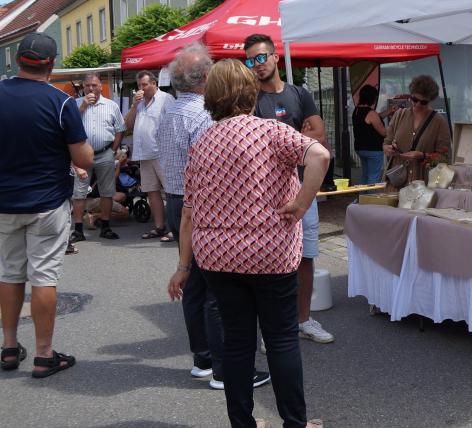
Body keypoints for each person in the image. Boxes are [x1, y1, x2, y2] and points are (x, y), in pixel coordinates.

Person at [167, 59, 328, 428]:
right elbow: (319, 155)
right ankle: (295, 423)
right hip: (272, 254)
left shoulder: (203, 141)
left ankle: (243, 423)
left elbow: (189, 213)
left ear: (211, 96)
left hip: (218, 258)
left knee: (238, 344)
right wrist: (302, 203)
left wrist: (182, 267)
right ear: (249, 92)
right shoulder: (271, 131)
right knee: (282, 339)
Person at [0, 33, 92, 377]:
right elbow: (82, 155)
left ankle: (9, 347)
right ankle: (43, 354)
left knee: (9, 274)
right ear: (51, 65)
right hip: (46, 203)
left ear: (17, 60)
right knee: (43, 277)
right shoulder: (62, 102)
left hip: (4, 203)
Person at [244, 34, 334, 346]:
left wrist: (286, 144)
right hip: (269, 193)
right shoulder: (250, 100)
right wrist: (297, 139)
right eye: (250, 60)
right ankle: (274, 329)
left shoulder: (299, 93)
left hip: (304, 187)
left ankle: (303, 319)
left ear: (275, 57)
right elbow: (257, 147)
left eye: (260, 57)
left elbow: (319, 133)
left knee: (306, 257)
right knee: (269, 261)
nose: (256, 65)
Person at [70, 73, 126, 241]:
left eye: (94, 85)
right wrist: (82, 108)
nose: (91, 88)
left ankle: (106, 226)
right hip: (82, 154)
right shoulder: (75, 104)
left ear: (101, 86)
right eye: (88, 85)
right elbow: (68, 127)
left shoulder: (111, 105)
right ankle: (78, 230)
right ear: (83, 87)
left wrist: (113, 150)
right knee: (79, 193)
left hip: (104, 153)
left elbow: (120, 129)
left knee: (107, 192)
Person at [124, 70, 173, 240]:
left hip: (162, 153)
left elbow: (173, 124)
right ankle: (159, 226)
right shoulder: (140, 103)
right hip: (144, 154)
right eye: (139, 85)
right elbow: (127, 125)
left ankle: (175, 228)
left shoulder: (166, 99)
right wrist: (133, 106)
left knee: (171, 192)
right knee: (152, 192)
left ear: (154, 83)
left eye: (144, 84)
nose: (141, 88)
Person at [383, 75, 451, 186]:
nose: (418, 104)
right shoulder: (399, 115)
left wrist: (423, 156)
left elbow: (444, 158)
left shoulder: (439, 121)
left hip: (423, 184)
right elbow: (386, 143)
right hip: (397, 181)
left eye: (423, 102)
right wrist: (388, 149)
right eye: (414, 99)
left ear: (430, 100)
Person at [353, 85, 390, 185]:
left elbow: (374, 118)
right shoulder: (371, 113)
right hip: (373, 149)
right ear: (372, 98)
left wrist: (389, 111)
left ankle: (362, 198)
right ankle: (370, 199)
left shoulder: (357, 110)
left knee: (365, 175)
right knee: (374, 177)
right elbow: (383, 132)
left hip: (360, 148)